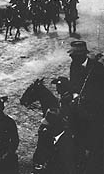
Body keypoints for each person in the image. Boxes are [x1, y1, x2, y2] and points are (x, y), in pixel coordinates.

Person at [67, 40, 104, 174]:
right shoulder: (73, 66)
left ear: (82, 56)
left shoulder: (98, 68)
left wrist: (87, 98)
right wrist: (75, 94)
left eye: (74, 56)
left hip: (95, 107)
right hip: (78, 105)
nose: (72, 58)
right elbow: (73, 85)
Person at [33, 108, 76, 174]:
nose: (44, 128)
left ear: (54, 126)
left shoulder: (67, 144)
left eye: (47, 126)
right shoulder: (46, 136)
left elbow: (67, 168)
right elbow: (39, 156)